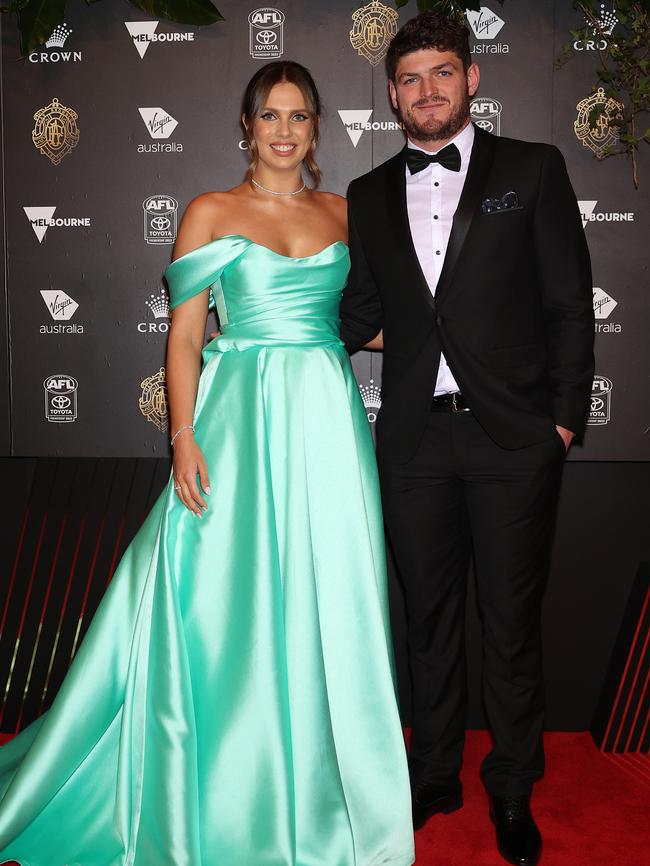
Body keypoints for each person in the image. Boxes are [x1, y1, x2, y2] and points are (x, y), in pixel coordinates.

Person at [0, 61, 414, 866]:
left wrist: (464, 334)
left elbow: (362, 325)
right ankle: (220, 770)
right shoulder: (210, 210)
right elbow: (185, 336)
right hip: (236, 416)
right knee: (220, 596)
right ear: (247, 126)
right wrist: (183, 436)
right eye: (271, 116)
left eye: (300, 116)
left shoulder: (345, 213)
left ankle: (323, 779)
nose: (286, 131)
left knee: (328, 588)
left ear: (317, 127)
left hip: (326, 416)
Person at [340, 13, 594, 866]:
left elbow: (568, 303)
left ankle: (514, 789)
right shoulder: (368, 194)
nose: (427, 92)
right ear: (392, 96)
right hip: (413, 443)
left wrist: (562, 422)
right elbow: (364, 316)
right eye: (410, 79)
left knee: (511, 624)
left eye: (442, 73)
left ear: (473, 78)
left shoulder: (534, 167)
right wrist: (265, 324)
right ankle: (436, 772)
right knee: (427, 623)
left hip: (515, 440)